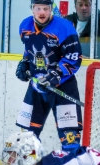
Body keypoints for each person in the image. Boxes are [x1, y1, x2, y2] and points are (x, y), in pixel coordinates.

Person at [15, 0, 83, 152]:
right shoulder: (25, 26)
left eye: (46, 9)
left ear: (51, 9)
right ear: (32, 9)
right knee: (27, 137)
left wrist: (55, 75)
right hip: (36, 87)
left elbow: (74, 58)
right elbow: (30, 50)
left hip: (63, 88)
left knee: (70, 137)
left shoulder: (65, 27)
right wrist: (25, 63)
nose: (42, 12)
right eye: (38, 8)